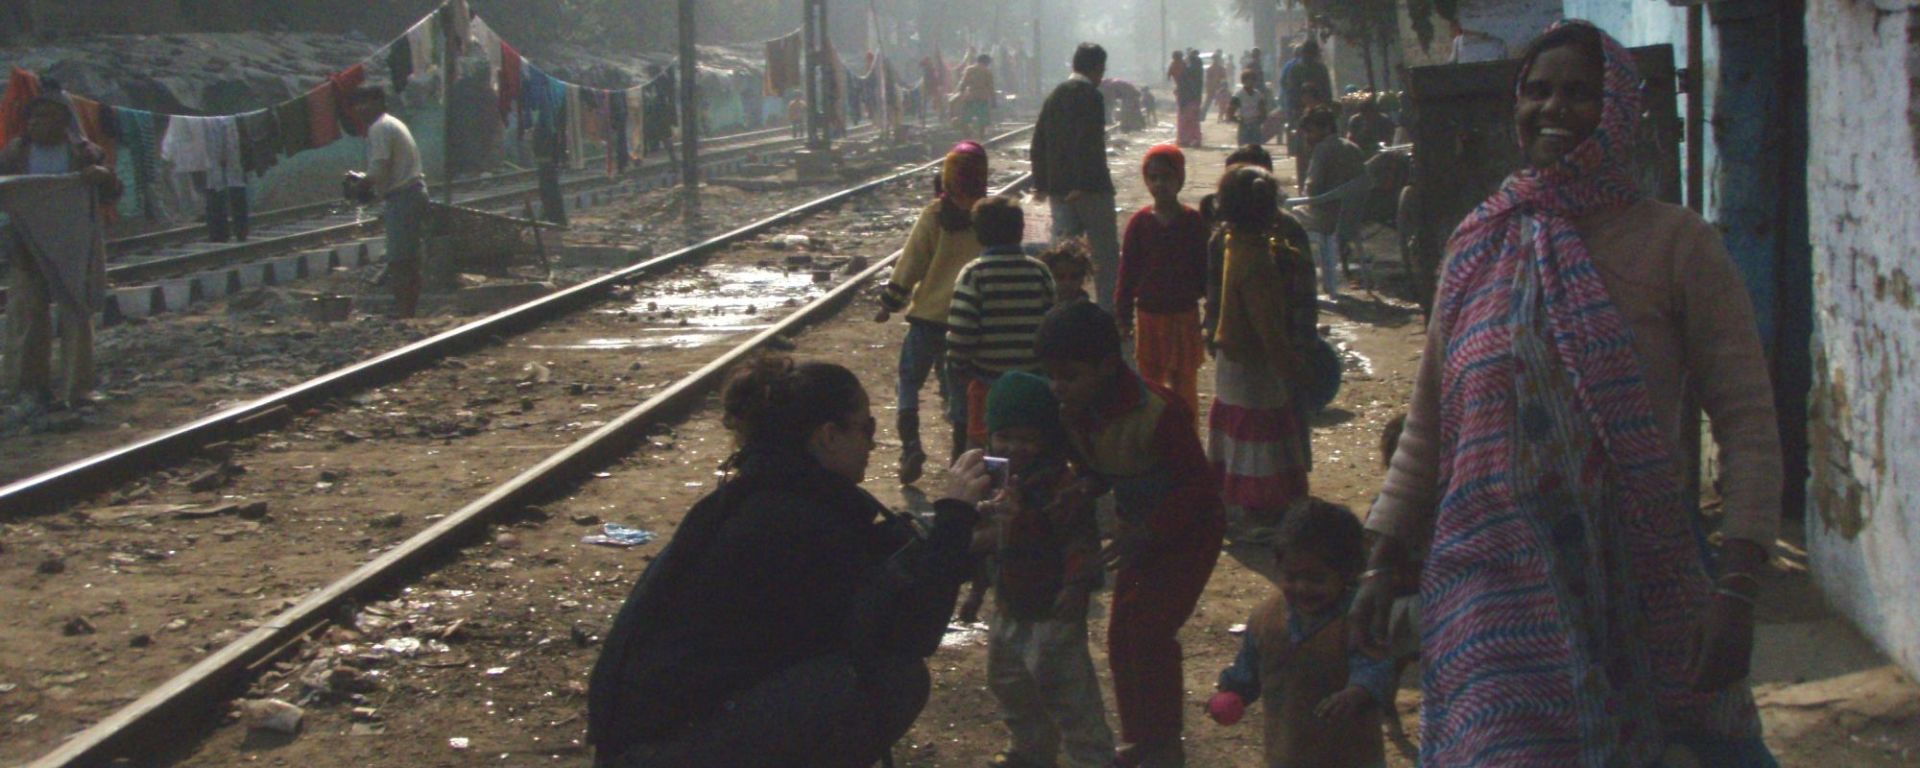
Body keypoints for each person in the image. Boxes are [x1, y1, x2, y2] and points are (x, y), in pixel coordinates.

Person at [1350, 21, 1783, 767]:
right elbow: (1430, 427)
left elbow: (1746, 424)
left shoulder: (1677, 244)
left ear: (1619, 109)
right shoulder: (1479, 243)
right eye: (1538, 90)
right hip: (1492, 584)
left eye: (1581, 92)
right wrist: (1379, 563)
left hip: (1633, 581)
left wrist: (1738, 591)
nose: (1555, 107)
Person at [587, 356, 996, 768]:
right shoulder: (795, 520)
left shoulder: (764, 494)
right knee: (890, 680)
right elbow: (910, 630)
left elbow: (884, 564)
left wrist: (964, 540)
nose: (872, 443)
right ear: (828, 436)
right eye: (865, 428)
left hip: (651, 738)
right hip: (665, 751)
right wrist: (954, 520)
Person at [1036, 301, 1224, 768]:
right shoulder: (1076, 409)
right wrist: (1084, 486)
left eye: (1069, 376)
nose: (1058, 387)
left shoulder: (1158, 411)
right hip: (1139, 533)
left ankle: (1164, 745)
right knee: (1122, 635)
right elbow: (1103, 466)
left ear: (1106, 366)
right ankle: (1141, 738)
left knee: (1150, 632)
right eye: (1052, 376)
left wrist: (1149, 531)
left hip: (1189, 533)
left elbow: (1198, 487)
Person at [978, 371, 1116, 768]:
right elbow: (992, 545)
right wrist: (976, 591)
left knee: (1071, 699)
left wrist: (1075, 588)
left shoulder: (1062, 486)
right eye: (1005, 436)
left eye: (1027, 438)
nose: (1015, 447)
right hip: (1008, 606)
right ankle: (1030, 753)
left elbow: (1079, 543)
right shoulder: (996, 480)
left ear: (1048, 439)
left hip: (1052, 613)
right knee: (1010, 687)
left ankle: (1094, 760)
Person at [1208, 500, 1394, 768]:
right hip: (1287, 753)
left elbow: (1377, 667)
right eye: (1291, 577)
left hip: (1350, 756)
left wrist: (1358, 691)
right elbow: (1248, 669)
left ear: (1348, 572)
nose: (1302, 587)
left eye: (1316, 579)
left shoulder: (1357, 621)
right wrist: (1232, 691)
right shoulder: (1266, 617)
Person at [1207, 165, 1318, 535]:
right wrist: (1295, 368)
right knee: (1261, 441)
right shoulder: (1256, 261)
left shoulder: (1231, 243)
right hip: (1256, 365)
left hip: (1231, 360)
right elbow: (1268, 330)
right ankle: (1260, 515)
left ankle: (1246, 507)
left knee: (1241, 437)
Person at [877, 141, 990, 482]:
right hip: (967, 321)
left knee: (909, 381)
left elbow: (912, 263)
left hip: (927, 318)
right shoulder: (987, 215)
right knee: (959, 392)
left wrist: (890, 303)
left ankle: (911, 446)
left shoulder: (934, 215)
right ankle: (958, 457)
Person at [0, 94, 121, 413]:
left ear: (64, 122)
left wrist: (102, 176)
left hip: (73, 249)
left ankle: (77, 388)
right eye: (35, 117)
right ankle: (28, 387)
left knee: (77, 317)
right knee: (27, 317)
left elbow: (112, 191)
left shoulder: (84, 153)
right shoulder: (15, 153)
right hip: (28, 250)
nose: (39, 123)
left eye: (49, 117)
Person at [946, 196, 1056, 450]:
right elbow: (1051, 325)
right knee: (1030, 442)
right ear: (1020, 231)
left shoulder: (974, 274)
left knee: (983, 444)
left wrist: (959, 365)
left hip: (987, 382)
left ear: (979, 234)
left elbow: (961, 333)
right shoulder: (1039, 272)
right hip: (1033, 381)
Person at [1115, 144, 1207, 420]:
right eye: (1153, 178)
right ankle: (1155, 440)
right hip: (1149, 316)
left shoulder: (1194, 222)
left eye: (1166, 177)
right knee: (1150, 386)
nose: (1159, 184)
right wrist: (1123, 316)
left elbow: (1205, 272)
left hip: (1184, 315)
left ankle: (1186, 442)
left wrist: (1212, 311)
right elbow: (1127, 273)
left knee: (1184, 386)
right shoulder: (1139, 224)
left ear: (1179, 179)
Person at [1030, 43, 1120, 310]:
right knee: (1104, 255)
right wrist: (1082, 183)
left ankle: (1061, 308)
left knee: (1062, 257)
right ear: (1096, 68)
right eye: (1101, 70)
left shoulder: (1054, 95)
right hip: (1091, 189)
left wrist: (1041, 184)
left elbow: (1038, 142)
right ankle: (1107, 312)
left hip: (1058, 190)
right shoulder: (1091, 96)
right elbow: (1089, 142)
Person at [345, 87, 428, 318]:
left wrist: (360, 184)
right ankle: (407, 311)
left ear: (379, 103)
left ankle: (405, 314)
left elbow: (380, 169)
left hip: (404, 196)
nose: (361, 109)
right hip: (410, 193)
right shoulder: (390, 123)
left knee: (400, 261)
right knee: (408, 259)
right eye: (357, 104)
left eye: (366, 103)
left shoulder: (379, 128)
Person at [1292, 106, 1366, 299]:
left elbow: (1312, 191)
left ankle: (1297, 285)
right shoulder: (1352, 148)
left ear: (1325, 129)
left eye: (1310, 131)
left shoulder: (1322, 151)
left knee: (1285, 219)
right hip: (1352, 218)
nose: (1307, 136)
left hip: (1325, 218)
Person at [1279, 41, 1332, 163]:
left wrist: (1292, 110)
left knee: (1303, 144)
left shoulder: (1295, 68)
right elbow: (1327, 91)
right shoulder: (1319, 68)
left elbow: (1290, 91)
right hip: (1311, 111)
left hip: (1303, 111)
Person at [1039, 238, 1094, 306]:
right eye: (1060, 277)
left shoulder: (1093, 313)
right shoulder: (1036, 309)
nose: (1067, 283)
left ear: (1082, 278)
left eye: (1074, 277)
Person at [956, 53, 997, 139]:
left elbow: (963, 84)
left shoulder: (969, 70)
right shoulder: (987, 72)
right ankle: (981, 137)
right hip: (982, 98)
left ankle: (968, 135)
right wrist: (994, 101)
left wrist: (961, 94)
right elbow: (991, 87)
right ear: (986, 62)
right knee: (982, 120)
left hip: (970, 97)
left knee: (965, 119)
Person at [1227, 71, 1272, 147]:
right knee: (1243, 149)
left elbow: (1263, 111)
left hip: (1255, 125)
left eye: (1252, 80)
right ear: (1243, 81)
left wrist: (1260, 120)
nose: (1250, 82)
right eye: (1247, 80)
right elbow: (1230, 111)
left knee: (1256, 149)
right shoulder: (1238, 95)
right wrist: (1238, 120)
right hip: (1244, 124)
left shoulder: (1258, 95)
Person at [1204, 50, 1228, 121]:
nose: (1216, 60)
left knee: (1221, 103)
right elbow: (1208, 79)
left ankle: (1222, 116)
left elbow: (1224, 79)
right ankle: (1202, 115)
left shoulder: (1216, 69)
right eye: (1215, 59)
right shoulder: (1213, 69)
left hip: (1217, 88)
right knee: (1220, 103)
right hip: (1215, 88)